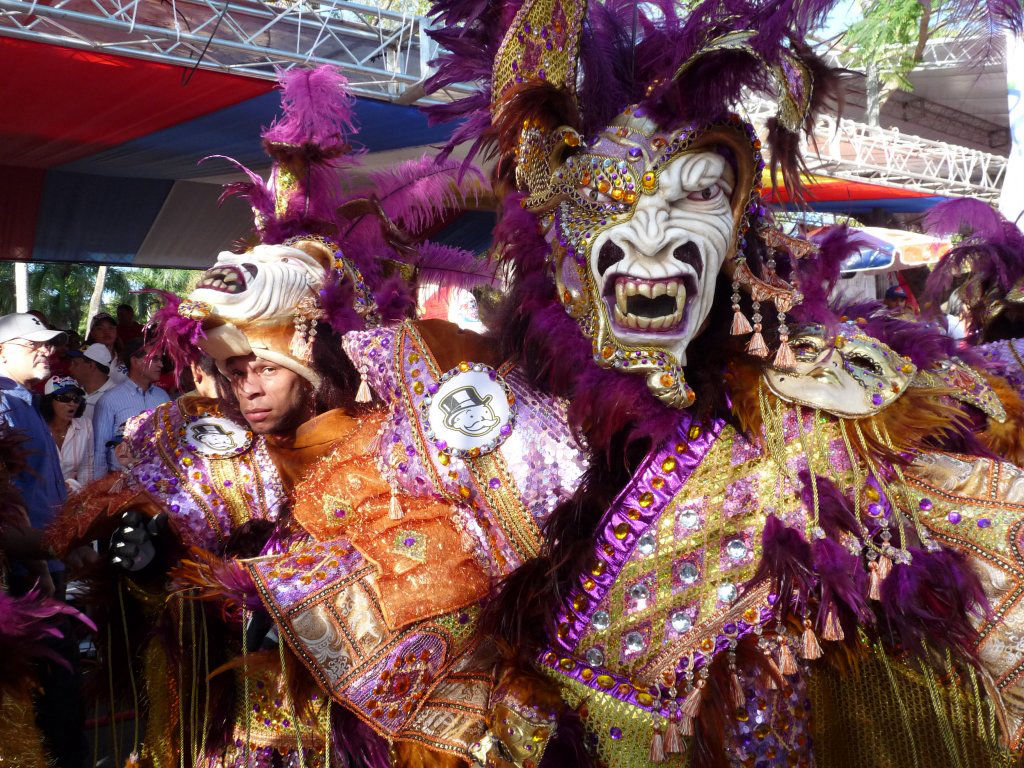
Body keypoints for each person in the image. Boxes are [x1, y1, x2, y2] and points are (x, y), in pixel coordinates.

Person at [0, 313, 87, 768]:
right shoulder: (1, 401)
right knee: (54, 689)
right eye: (30, 343)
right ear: (1, 351)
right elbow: (5, 498)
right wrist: (38, 568)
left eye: (47, 343)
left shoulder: (25, 400)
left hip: (46, 562)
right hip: (26, 573)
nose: (44, 350)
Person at [92, 336, 169, 478]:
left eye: (160, 359)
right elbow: (99, 451)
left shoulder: (163, 397)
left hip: (159, 483)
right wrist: (100, 489)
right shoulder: (109, 400)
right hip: (122, 482)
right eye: (155, 359)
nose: (161, 365)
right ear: (135, 361)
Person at [41, 376, 92, 493]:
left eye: (76, 399)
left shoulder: (85, 425)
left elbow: (86, 468)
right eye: (65, 398)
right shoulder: (36, 426)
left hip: (73, 497)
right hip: (43, 497)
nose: (72, 404)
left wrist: (85, 499)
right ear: (49, 401)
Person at [66, 342, 114, 420]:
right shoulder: (71, 392)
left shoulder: (117, 397)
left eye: (75, 364)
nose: (70, 368)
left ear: (91, 366)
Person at [86, 312, 126, 383]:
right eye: (100, 328)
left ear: (116, 332)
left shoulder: (126, 357)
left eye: (111, 328)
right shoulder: (84, 358)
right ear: (92, 333)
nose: (106, 332)